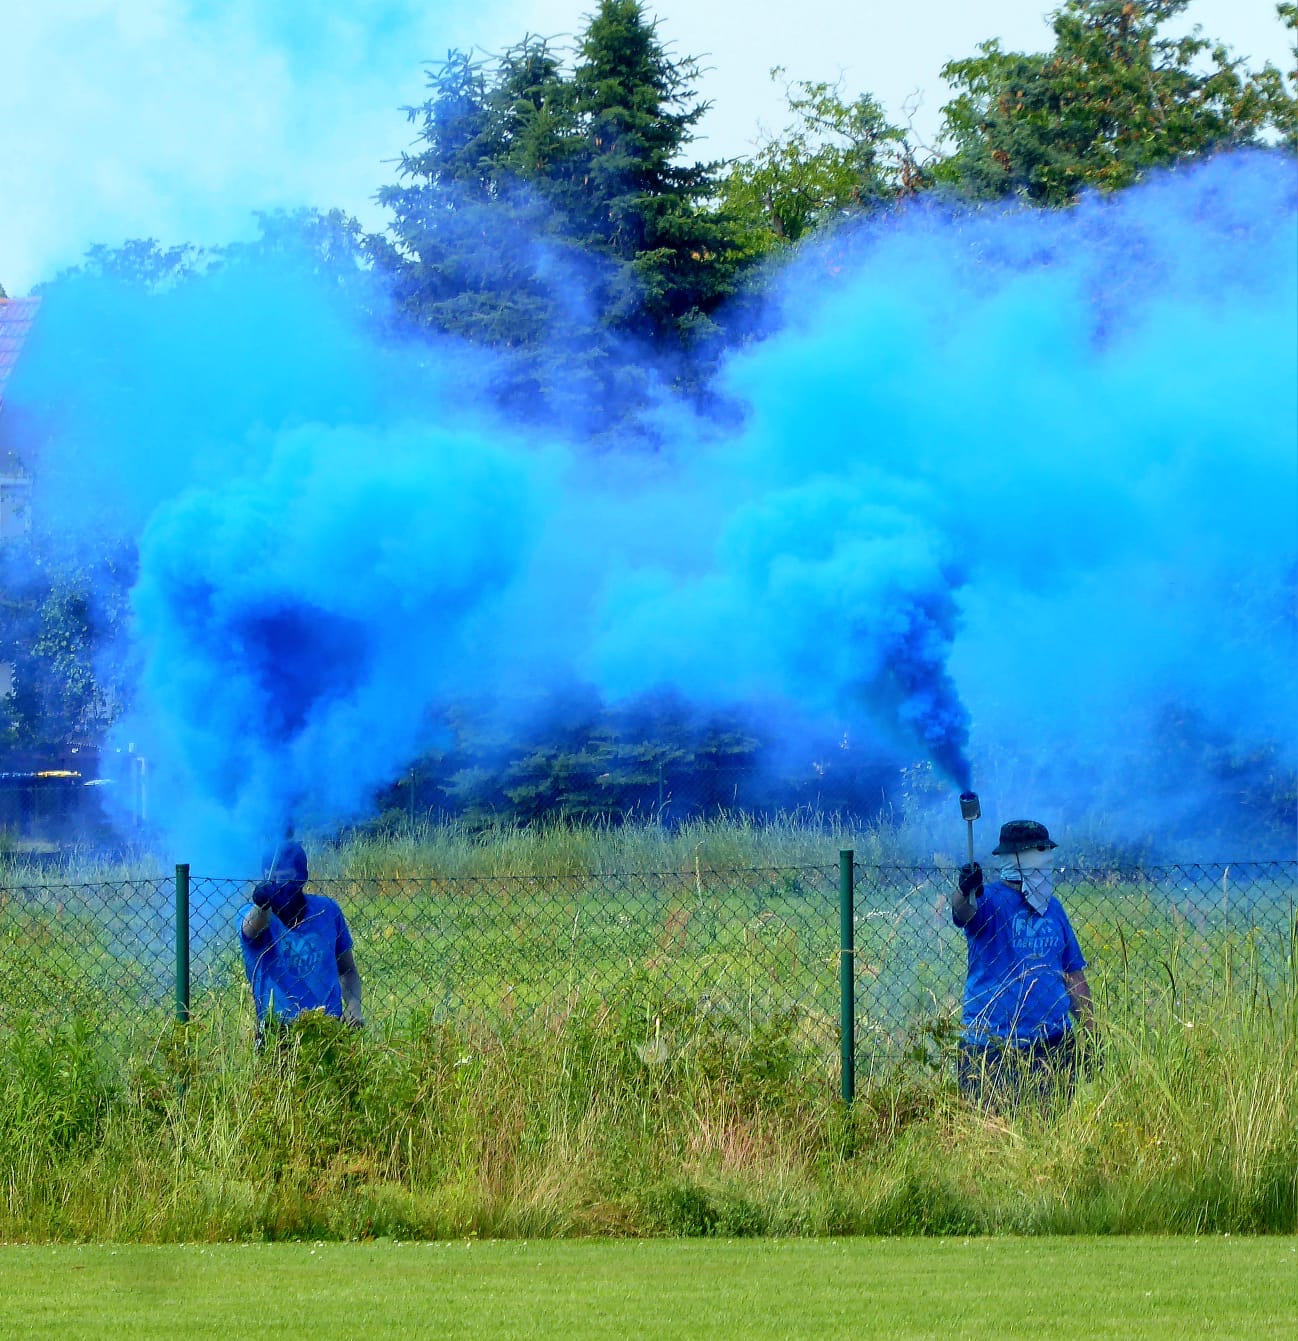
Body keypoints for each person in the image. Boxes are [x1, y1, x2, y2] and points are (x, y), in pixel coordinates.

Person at [951, 818, 1092, 1107]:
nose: (1046, 858)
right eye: (1038, 851)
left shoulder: (1053, 908)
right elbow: (962, 913)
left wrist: (1091, 1031)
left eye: (1047, 851)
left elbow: (1072, 973)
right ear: (1015, 858)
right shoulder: (987, 900)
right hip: (991, 1047)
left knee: (1052, 1133)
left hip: (1053, 1045)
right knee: (991, 1135)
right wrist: (965, 890)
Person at [240, 836, 363, 1045]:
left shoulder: (327, 910)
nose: (280, 887)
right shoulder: (252, 916)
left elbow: (347, 969)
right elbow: (251, 929)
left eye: (287, 879)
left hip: (328, 1029)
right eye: (274, 880)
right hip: (277, 1033)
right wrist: (262, 904)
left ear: (302, 878)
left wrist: (353, 1006)